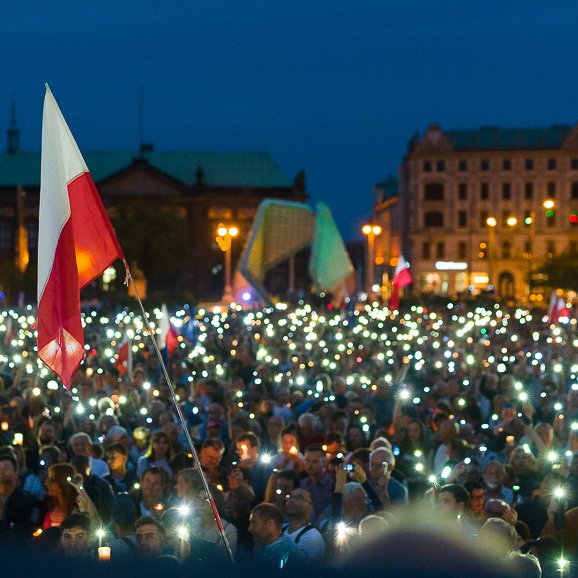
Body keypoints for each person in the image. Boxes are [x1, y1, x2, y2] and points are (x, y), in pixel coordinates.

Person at [248, 503, 305, 569]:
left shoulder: (291, 556)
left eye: (254, 523)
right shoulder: (259, 546)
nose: (249, 528)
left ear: (270, 524)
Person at [0, 448, 35, 540]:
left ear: (16, 472)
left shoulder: (25, 500)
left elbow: (23, 533)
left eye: (6, 468)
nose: (1, 472)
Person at [283, 488, 325, 561]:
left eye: (299, 498)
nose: (291, 500)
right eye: (290, 497)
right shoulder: (281, 528)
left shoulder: (312, 536)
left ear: (310, 507)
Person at [299, 444, 334, 523]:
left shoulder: (332, 485)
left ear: (324, 462)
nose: (309, 466)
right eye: (307, 461)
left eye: (315, 461)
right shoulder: (301, 484)